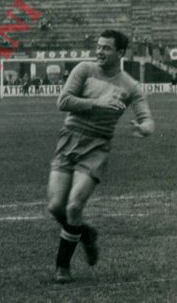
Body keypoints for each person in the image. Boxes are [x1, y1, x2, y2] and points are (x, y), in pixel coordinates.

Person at [46, 30, 154, 284]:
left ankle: (62, 267)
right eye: (99, 46)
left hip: (97, 147)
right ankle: (85, 234)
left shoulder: (130, 86)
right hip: (69, 138)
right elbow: (63, 101)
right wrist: (97, 104)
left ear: (120, 53)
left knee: (74, 206)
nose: (100, 52)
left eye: (106, 48)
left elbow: (146, 118)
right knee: (55, 207)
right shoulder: (84, 69)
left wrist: (145, 128)